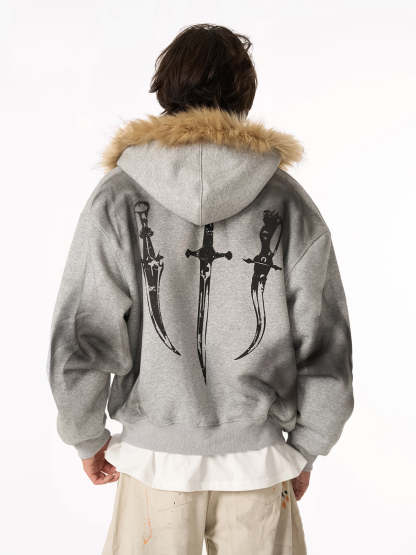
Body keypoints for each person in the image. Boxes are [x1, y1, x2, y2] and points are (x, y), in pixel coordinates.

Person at [47, 23, 354, 555]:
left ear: (165, 89)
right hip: (258, 467)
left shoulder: (118, 198)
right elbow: (326, 341)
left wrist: (85, 434)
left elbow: (85, 332)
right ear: (244, 94)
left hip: (154, 465)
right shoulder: (287, 203)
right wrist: (308, 445)